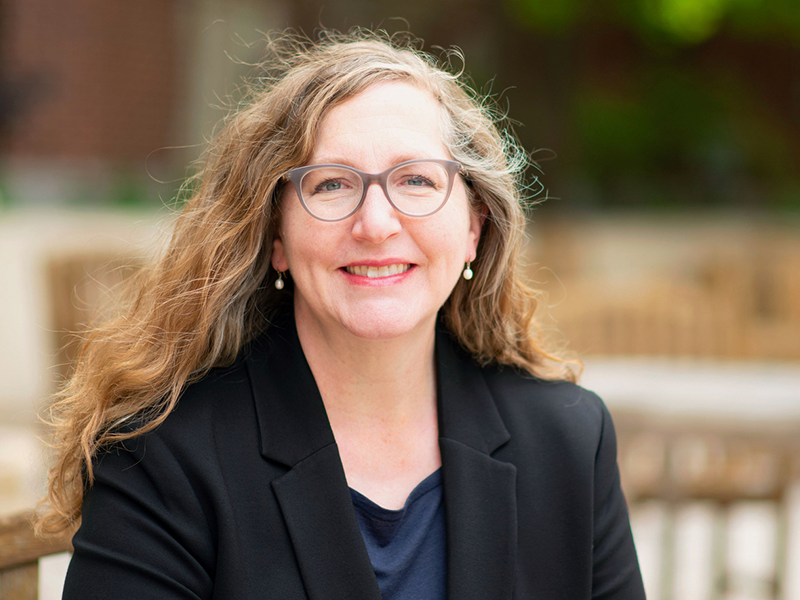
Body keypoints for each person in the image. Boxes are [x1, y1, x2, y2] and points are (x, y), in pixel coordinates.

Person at [41, 30, 646, 599]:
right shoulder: (162, 454)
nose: (376, 224)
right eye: (331, 185)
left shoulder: (568, 439)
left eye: (415, 180)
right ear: (275, 234)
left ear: (473, 228)